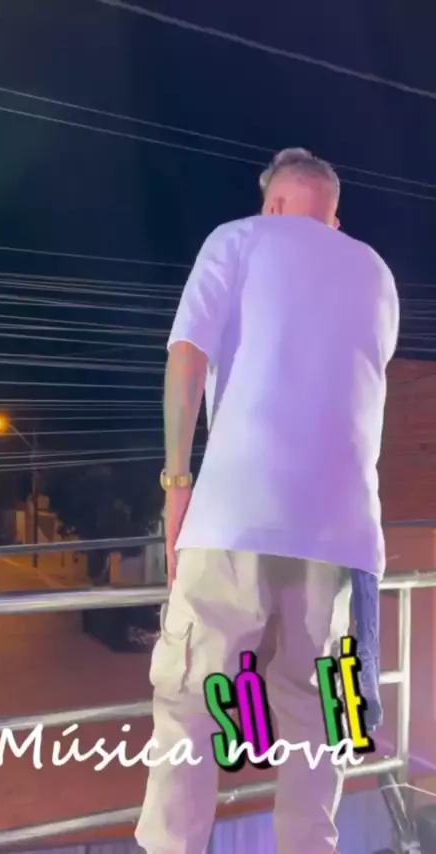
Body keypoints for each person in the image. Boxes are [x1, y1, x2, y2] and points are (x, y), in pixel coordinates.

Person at [135, 148, 400, 854]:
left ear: (273, 204)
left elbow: (186, 357)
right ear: (333, 216)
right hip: (343, 541)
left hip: (235, 516)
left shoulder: (237, 240)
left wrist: (176, 485)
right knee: (319, 717)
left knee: (193, 703)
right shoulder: (376, 272)